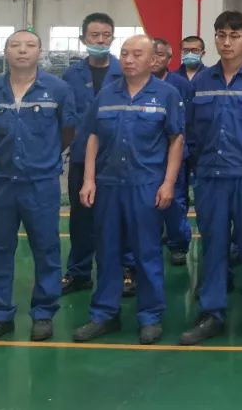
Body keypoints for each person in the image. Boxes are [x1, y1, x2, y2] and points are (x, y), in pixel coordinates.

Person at [72, 36, 185, 344]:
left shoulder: (167, 94)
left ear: (153, 60)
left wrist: (168, 183)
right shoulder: (107, 93)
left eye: (137, 54)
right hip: (109, 185)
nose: (129, 59)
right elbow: (93, 136)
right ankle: (104, 314)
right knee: (107, 251)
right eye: (124, 54)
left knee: (146, 252)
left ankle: (150, 316)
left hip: (146, 185)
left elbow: (176, 139)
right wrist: (89, 179)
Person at [180, 11, 242, 348]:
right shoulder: (200, 82)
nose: (227, 42)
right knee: (213, 245)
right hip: (210, 177)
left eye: (234, 36)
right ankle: (212, 313)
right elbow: (191, 130)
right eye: (221, 35)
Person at [0, 30, 76, 345]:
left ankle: (43, 314)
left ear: (39, 52)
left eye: (30, 45)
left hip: (40, 184)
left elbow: (67, 131)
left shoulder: (58, 89)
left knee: (46, 248)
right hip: (0, 184)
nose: (22, 50)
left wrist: (42, 157)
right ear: (5, 52)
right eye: (15, 45)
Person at [61, 13, 123, 295]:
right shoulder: (70, 76)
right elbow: (66, 118)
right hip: (80, 157)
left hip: (118, 158)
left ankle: (124, 271)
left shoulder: (125, 71)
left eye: (106, 35)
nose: (100, 41)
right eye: (94, 35)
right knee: (81, 219)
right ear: (83, 39)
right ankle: (79, 272)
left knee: (119, 218)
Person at [151, 38, 195, 266]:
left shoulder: (181, 85)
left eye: (160, 55)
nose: (155, 59)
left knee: (175, 202)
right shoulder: (133, 83)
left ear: (169, 59)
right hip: (145, 157)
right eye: (151, 54)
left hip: (175, 154)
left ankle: (178, 244)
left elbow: (190, 121)